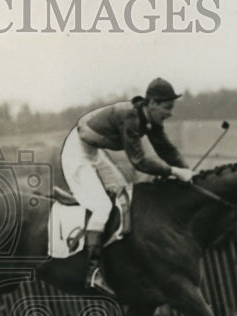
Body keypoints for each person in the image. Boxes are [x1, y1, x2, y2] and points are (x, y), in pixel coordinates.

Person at [61, 77, 193, 295]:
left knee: (125, 198)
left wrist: (189, 174)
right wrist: (175, 172)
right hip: (77, 153)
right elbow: (139, 161)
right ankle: (92, 271)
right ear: (152, 104)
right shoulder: (130, 116)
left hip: (94, 152)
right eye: (168, 107)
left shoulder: (150, 121)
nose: (171, 113)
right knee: (102, 207)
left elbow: (167, 151)